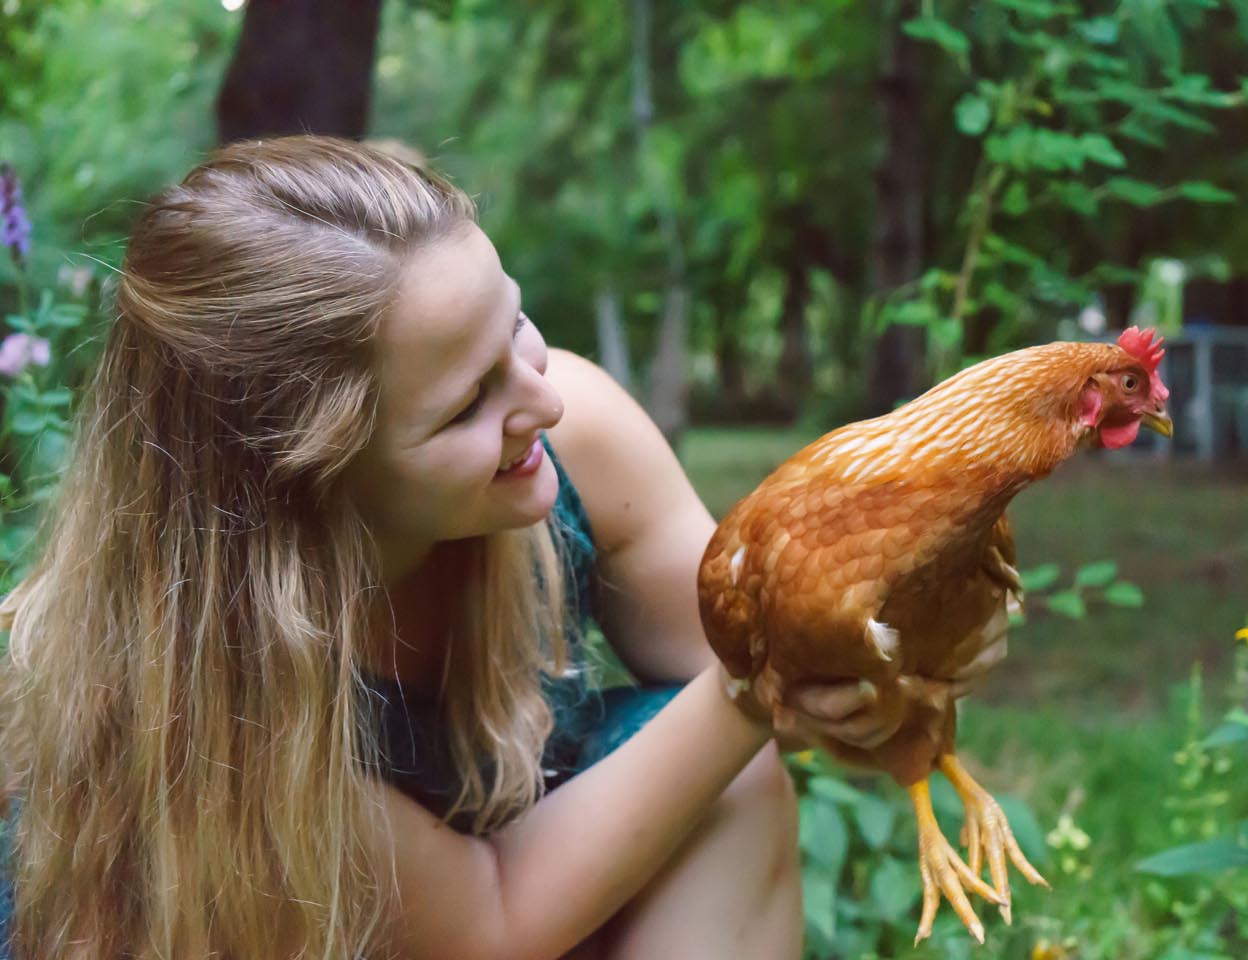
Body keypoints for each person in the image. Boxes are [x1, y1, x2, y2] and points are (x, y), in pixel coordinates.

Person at [0, 136, 1006, 959]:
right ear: (309, 489)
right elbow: (490, 922)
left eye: (515, 325)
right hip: (275, 932)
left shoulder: (577, 439)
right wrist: (757, 688)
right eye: (467, 404)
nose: (546, 396)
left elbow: (806, 693)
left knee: (723, 776)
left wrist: (881, 644)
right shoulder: (212, 676)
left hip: (495, 896)